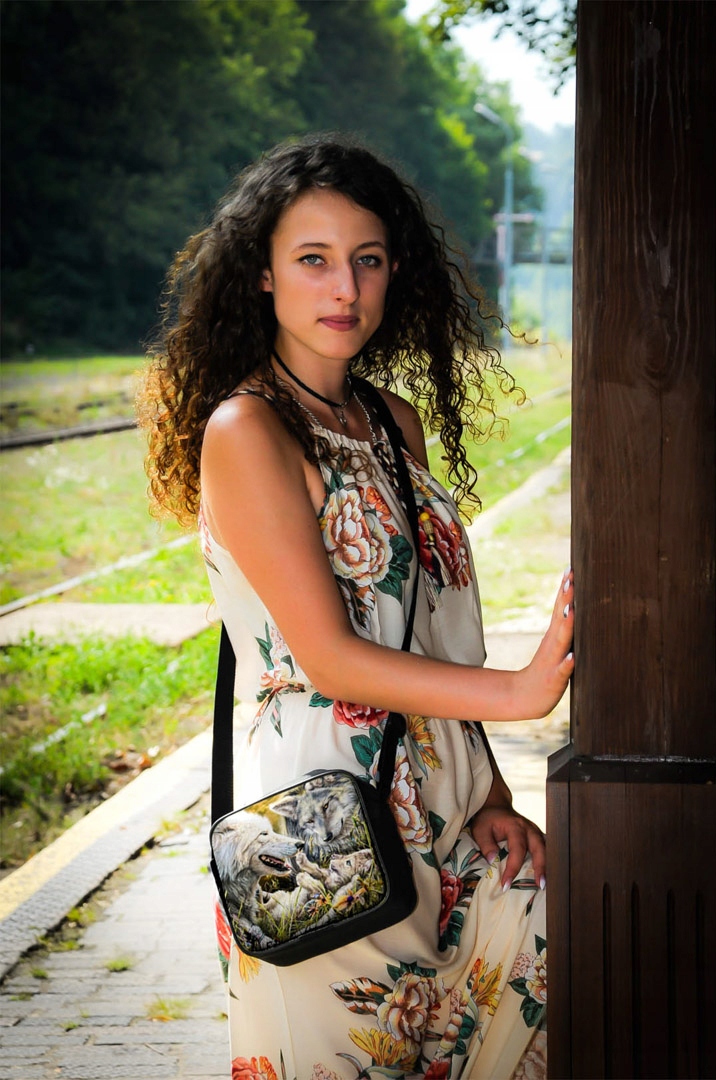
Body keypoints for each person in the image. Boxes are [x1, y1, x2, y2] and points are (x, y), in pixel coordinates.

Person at [139, 134, 574, 1080]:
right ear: (261, 274)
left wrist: (491, 793)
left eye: (367, 260)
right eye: (313, 260)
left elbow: (425, 628)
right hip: (321, 825)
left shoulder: (389, 421)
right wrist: (521, 691)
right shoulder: (247, 429)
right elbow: (329, 659)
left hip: (447, 807)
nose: (345, 289)